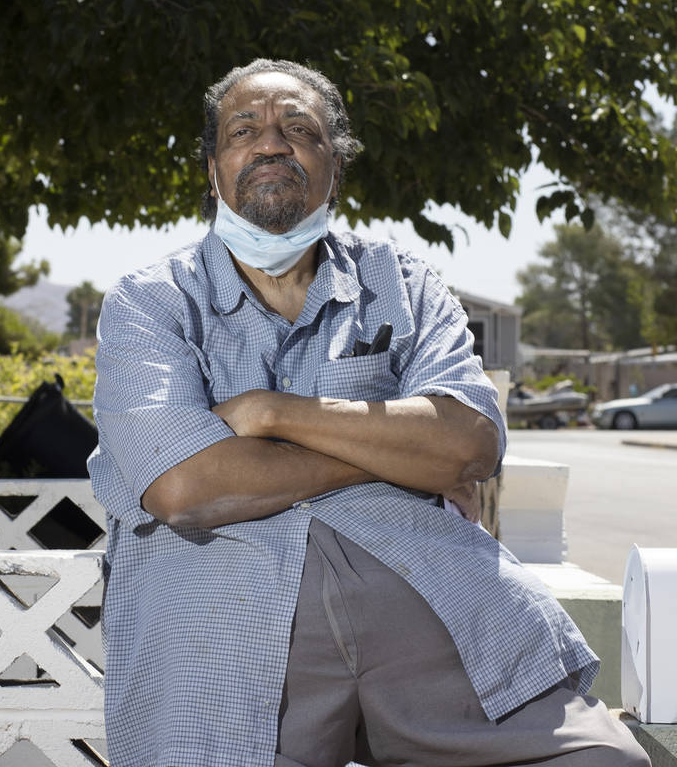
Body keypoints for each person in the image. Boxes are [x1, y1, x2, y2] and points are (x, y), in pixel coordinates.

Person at [87, 58, 649, 767]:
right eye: (244, 129)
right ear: (213, 166)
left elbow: (466, 446)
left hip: (439, 621)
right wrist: (387, 450)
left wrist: (271, 411)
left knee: (603, 762)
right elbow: (186, 488)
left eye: (298, 129)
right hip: (231, 646)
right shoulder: (151, 303)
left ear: (334, 163)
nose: (270, 143)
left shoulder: (401, 284)